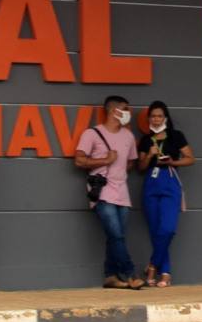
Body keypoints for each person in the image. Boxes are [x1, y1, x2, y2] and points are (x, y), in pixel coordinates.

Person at [73, 95, 142, 289]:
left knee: (116, 236)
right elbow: (79, 160)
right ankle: (130, 274)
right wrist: (105, 161)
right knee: (116, 235)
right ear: (114, 112)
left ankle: (110, 275)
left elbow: (130, 161)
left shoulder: (128, 136)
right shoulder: (92, 134)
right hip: (102, 193)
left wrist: (119, 172)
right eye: (125, 109)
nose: (128, 113)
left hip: (122, 192)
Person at [134, 101, 194, 288]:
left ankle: (153, 266)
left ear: (165, 117)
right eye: (153, 116)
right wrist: (149, 155)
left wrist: (172, 162)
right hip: (151, 184)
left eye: (159, 116)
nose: (156, 119)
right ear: (149, 119)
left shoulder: (175, 136)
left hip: (169, 181)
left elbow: (190, 159)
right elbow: (141, 167)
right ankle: (165, 273)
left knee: (167, 229)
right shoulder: (146, 139)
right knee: (156, 231)